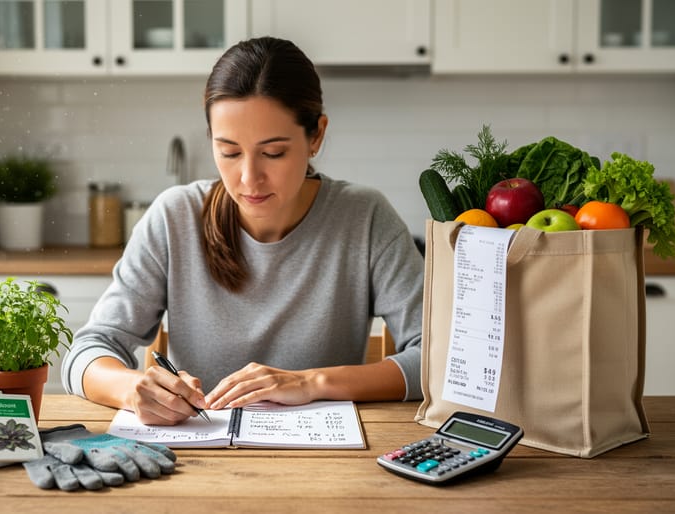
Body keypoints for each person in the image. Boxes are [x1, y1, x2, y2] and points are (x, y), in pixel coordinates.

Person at [62, 36, 424, 425]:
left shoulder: (364, 217)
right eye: (229, 152)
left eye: (273, 153)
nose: (249, 178)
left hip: (326, 465)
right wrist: (132, 391)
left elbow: (439, 360)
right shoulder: (174, 217)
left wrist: (312, 382)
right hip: (197, 462)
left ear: (316, 135)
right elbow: (87, 350)